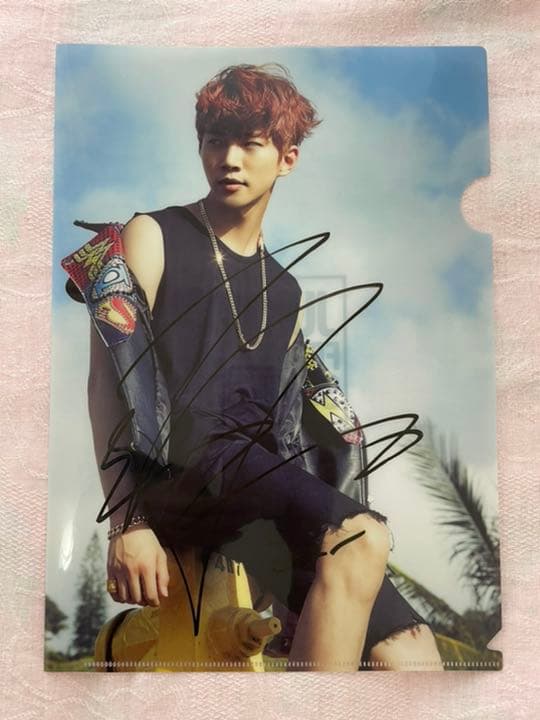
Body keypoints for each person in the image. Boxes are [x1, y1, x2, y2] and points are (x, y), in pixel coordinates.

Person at [87, 63, 443, 671]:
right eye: (214, 141)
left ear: (287, 158)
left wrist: (297, 568)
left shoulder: (287, 289)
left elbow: (294, 428)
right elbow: (107, 381)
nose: (229, 159)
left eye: (250, 144)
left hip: (258, 488)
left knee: (413, 657)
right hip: (180, 474)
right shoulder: (152, 234)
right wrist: (128, 520)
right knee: (362, 537)